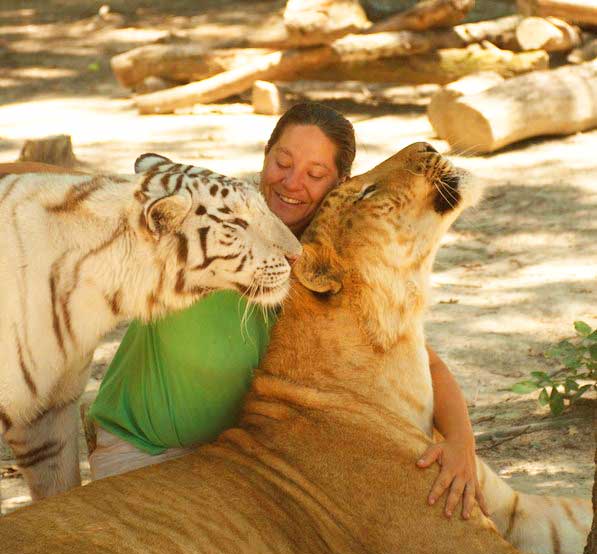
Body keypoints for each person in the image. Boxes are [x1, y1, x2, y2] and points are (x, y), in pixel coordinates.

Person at [88, 102, 487, 520]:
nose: (292, 183)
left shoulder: (331, 262)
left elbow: (422, 362)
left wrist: (462, 444)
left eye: (315, 175)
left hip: (249, 463)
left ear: (340, 183)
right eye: (283, 162)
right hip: (142, 451)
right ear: (265, 155)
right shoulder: (205, 217)